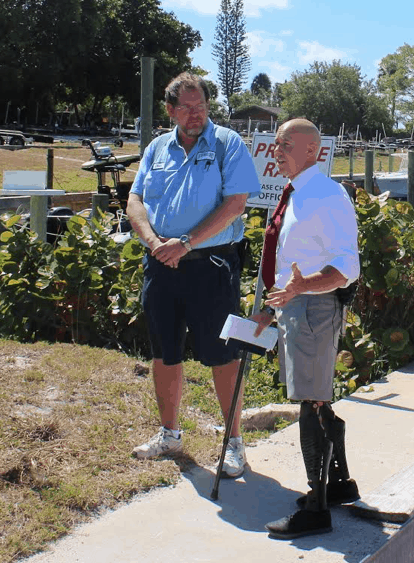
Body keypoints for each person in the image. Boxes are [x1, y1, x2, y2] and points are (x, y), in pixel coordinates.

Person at [126, 72, 260, 479]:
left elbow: (236, 204)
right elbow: (135, 199)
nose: (195, 113)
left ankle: (233, 443)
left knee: (223, 355)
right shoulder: (157, 148)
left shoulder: (227, 144)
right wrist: (154, 243)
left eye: (200, 105)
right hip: (160, 264)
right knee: (164, 353)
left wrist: (184, 242)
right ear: (170, 110)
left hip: (212, 267)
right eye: (185, 106)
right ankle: (169, 434)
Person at [251, 118, 360, 539]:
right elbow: (285, 256)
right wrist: (270, 305)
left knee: (310, 405)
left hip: (313, 310)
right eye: (276, 144)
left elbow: (347, 268)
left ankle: (316, 509)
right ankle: (339, 487)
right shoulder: (296, 193)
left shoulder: (326, 195)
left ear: (313, 148)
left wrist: (301, 288)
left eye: (284, 144)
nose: (276, 151)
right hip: (297, 308)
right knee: (318, 400)